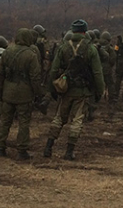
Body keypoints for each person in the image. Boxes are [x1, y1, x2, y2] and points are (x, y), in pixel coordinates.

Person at [44, 19, 105, 161]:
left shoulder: (63, 47)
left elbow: (53, 70)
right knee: (77, 120)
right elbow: (97, 73)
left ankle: (48, 147)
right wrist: (99, 91)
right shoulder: (90, 49)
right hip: (82, 92)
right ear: (85, 31)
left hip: (66, 89)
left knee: (59, 118)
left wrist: (51, 88)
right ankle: (69, 151)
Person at [0, 28, 44, 161]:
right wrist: (38, 93)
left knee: (5, 121)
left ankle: (0, 147)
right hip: (24, 93)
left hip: (8, 92)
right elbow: (35, 77)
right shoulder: (31, 54)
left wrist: (0, 90)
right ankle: (22, 151)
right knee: (23, 122)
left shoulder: (7, 52)